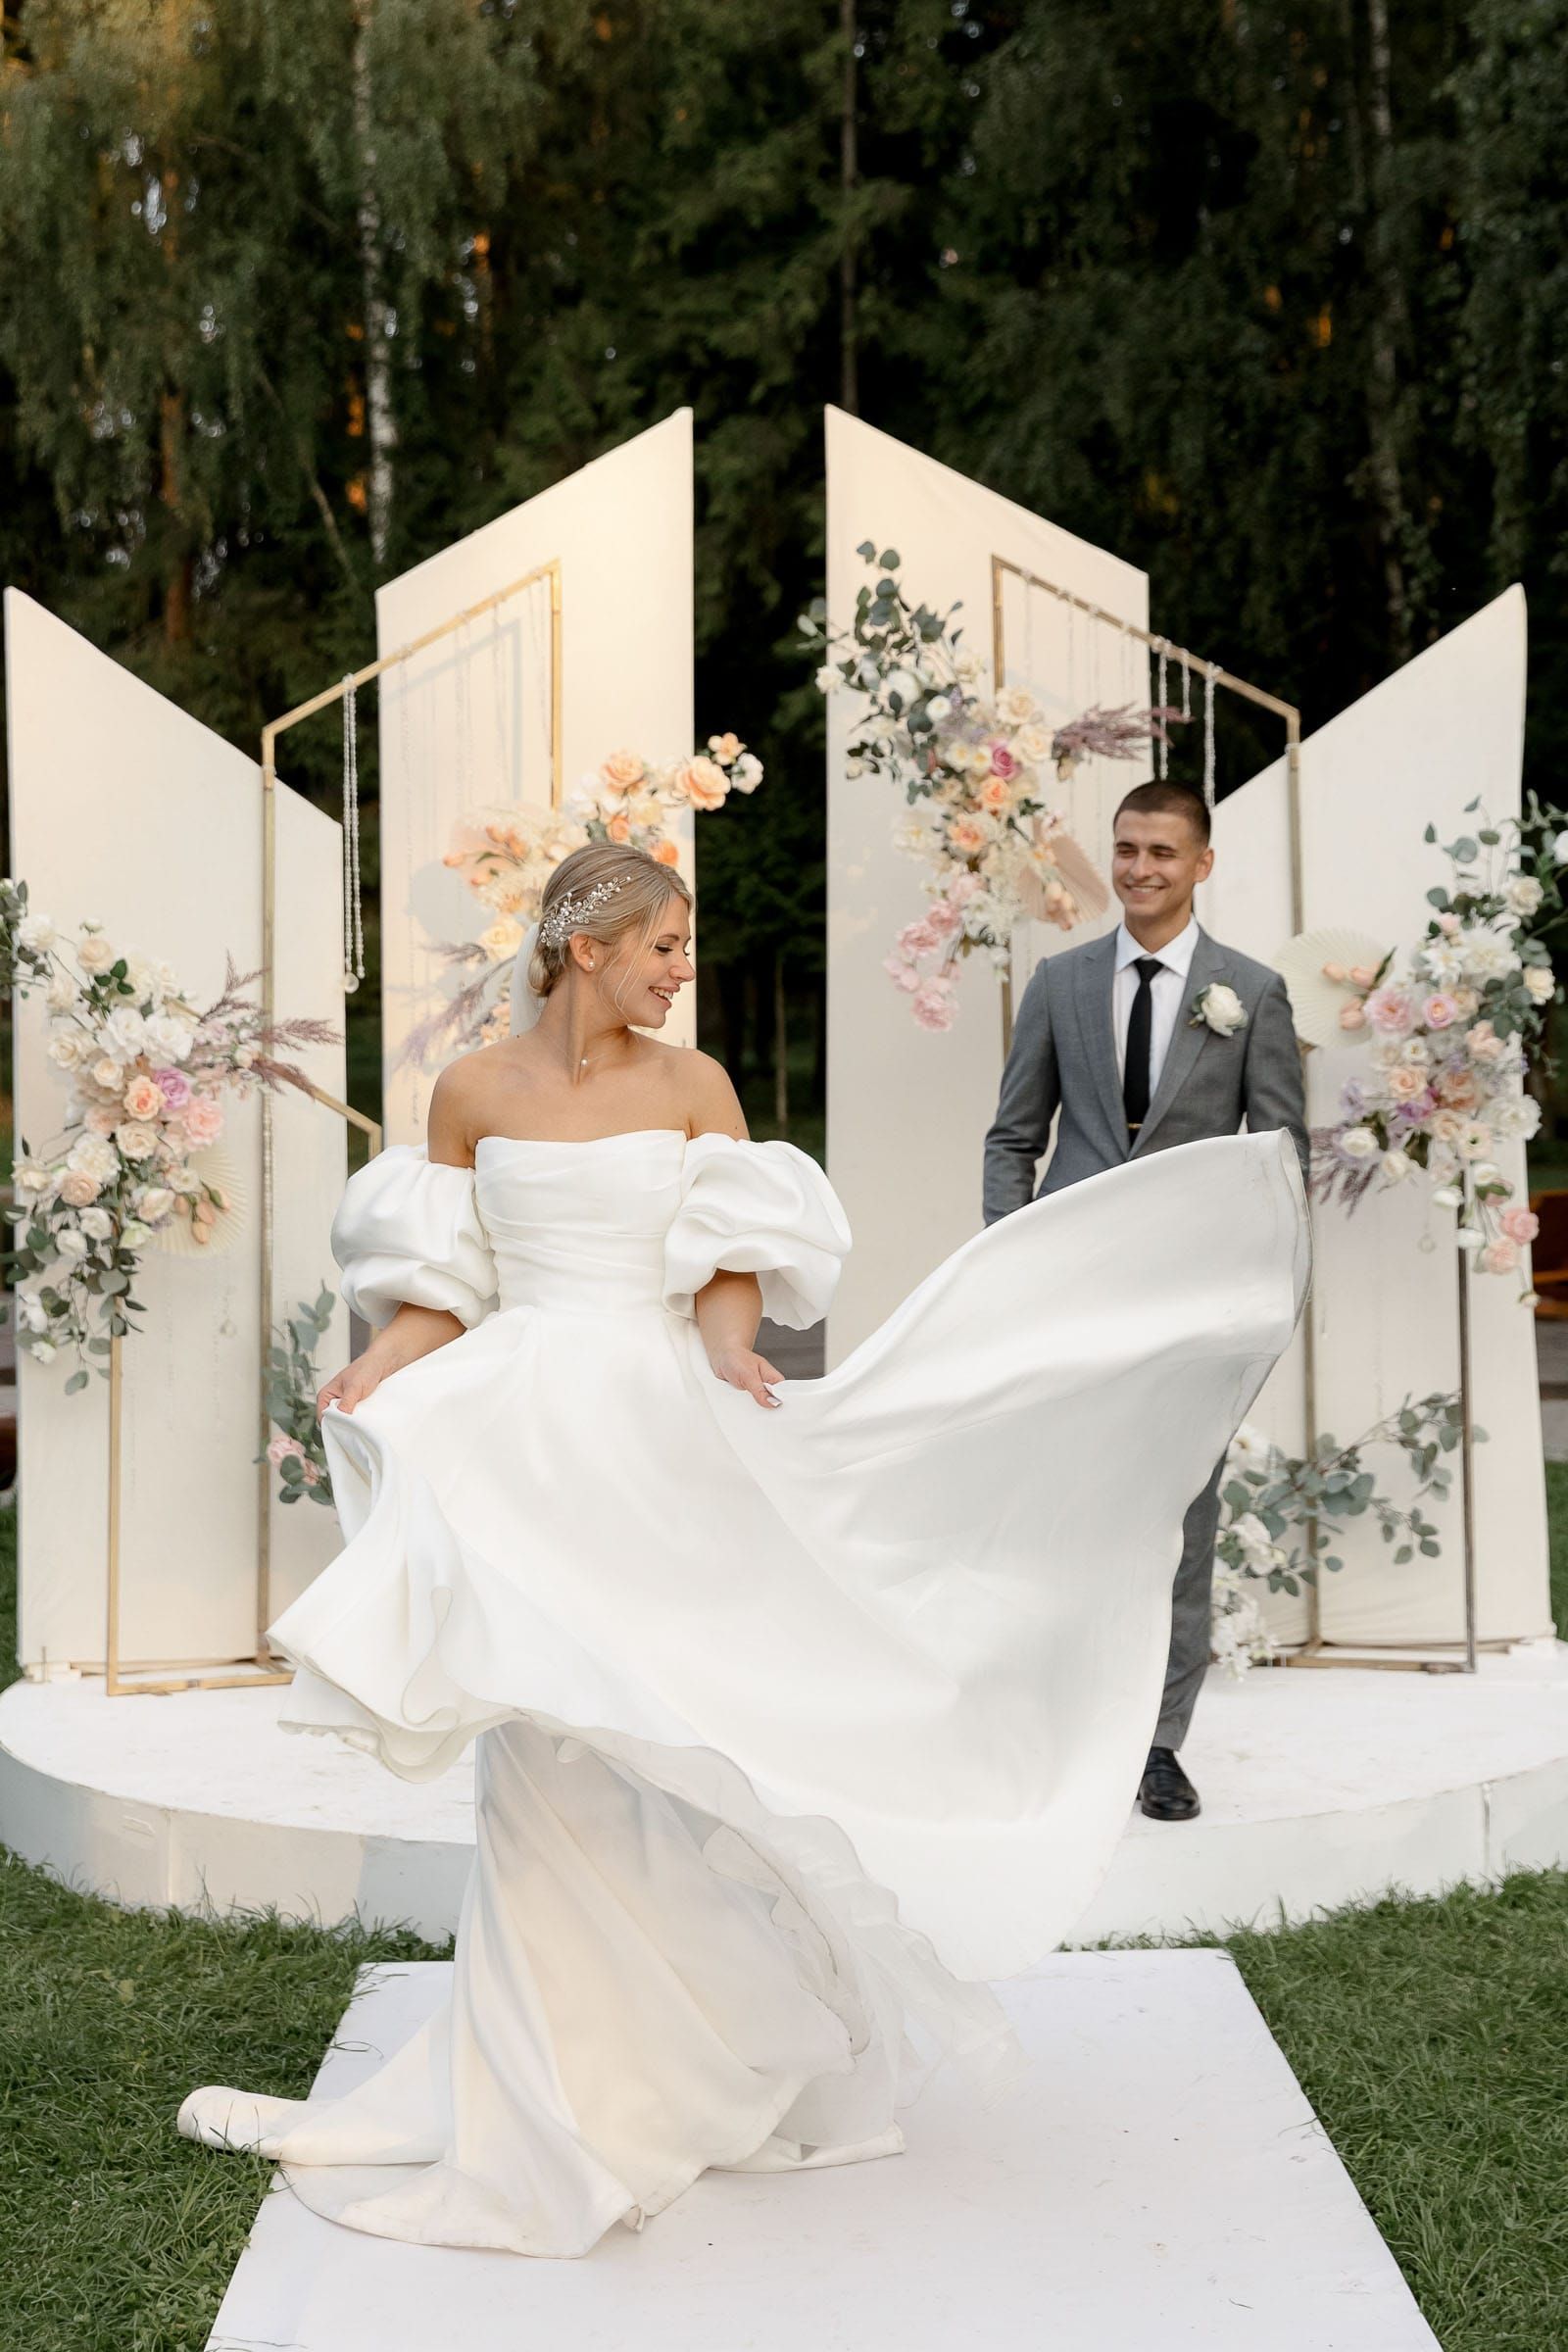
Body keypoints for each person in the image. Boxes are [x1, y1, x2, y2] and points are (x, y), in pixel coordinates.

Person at [180, 839, 1308, 2258]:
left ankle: (675, 2067)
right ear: (587, 947)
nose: (679, 967)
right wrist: (376, 1365)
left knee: (660, 1745)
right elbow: (448, 1288)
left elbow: (724, 1269)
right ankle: (542, 2096)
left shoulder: (695, 1087)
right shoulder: (468, 1092)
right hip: (522, 1439)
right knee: (539, 1753)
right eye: (661, 944)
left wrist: (734, 1356)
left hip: (653, 1442)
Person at [982, 781, 1310, 1827]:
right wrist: (1012, 1260)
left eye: (1161, 852)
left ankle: (1156, 1745)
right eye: (1125, 849)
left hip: (1189, 1310)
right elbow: (1012, 1138)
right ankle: (1052, 1725)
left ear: (1200, 864)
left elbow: (1280, 1161)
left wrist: (1251, 1300)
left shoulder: (1248, 994)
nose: (1138, 869)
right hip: (1068, 1301)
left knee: (1177, 1520)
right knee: (1057, 1510)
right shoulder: (1061, 982)